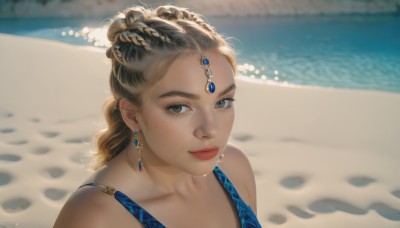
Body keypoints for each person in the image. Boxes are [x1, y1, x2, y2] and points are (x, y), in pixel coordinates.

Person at [54, 5, 261, 228]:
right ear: (132, 115)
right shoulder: (95, 216)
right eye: (179, 107)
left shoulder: (234, 166)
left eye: (222, 102)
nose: (211, 130)